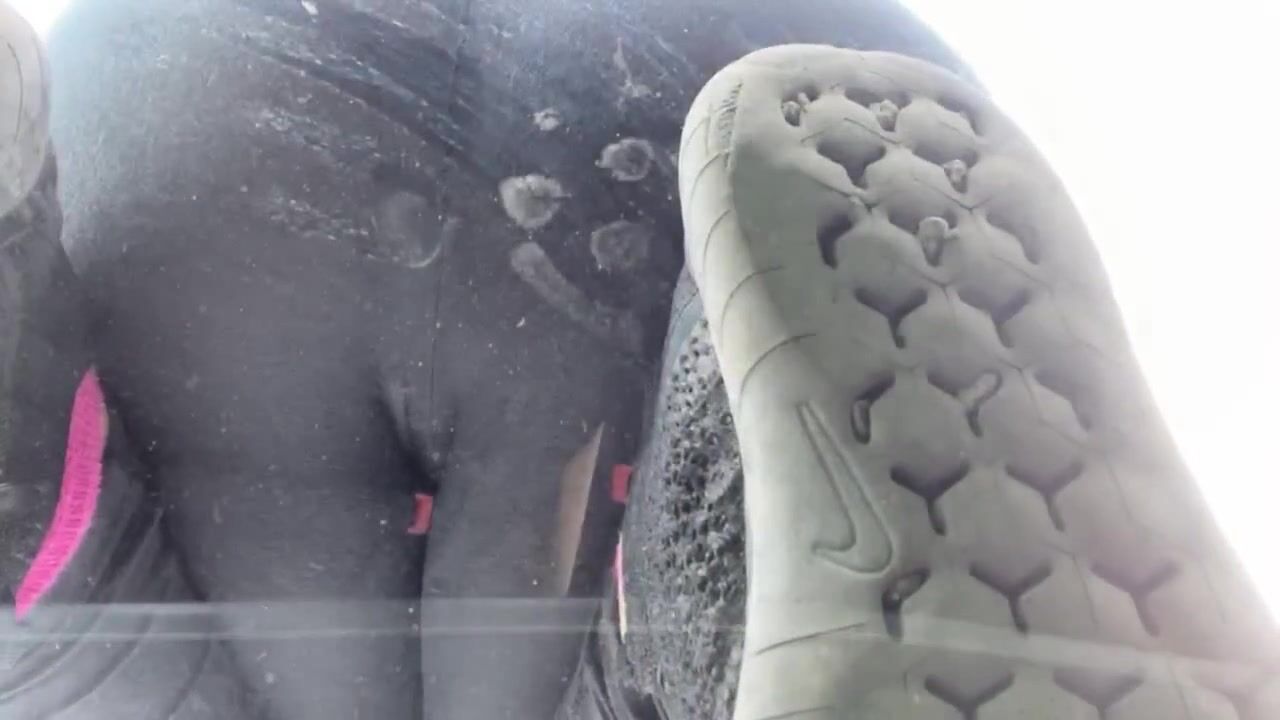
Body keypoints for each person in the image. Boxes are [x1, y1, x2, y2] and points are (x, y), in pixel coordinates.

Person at [3, 0, 1275, 718]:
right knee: (94, 657)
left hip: (183, 135)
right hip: (780, 103)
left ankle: (723, 527)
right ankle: (723, 503)